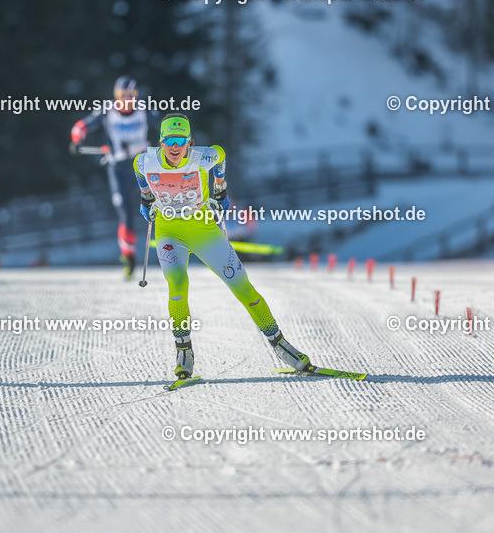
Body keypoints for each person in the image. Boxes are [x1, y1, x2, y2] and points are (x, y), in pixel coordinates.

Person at [132, 113, 312, 380]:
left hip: (203, 228)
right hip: (169, 232)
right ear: (161, 142)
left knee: (242, 286)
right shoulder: (146, 161)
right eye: (169, 140)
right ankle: (184, 352)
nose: (175, 147)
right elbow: (137, 169)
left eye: (181, 140)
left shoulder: (202, 157)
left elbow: (220, 154)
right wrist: (146, 198)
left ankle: (280, 344)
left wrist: (220, 188)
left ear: (189, 142)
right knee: (178, 283)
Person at [70, 77, 155, 279]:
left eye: (130, 96)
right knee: (126, 214)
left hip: (143, 166)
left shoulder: (145, 110)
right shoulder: (107, 111)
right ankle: (129, 257)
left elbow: (169, 125)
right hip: (118, 169)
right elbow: (80, 127)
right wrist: (77, 140)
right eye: (122, 96)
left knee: (159, 207)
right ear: (116, 96)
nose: (126, 100)